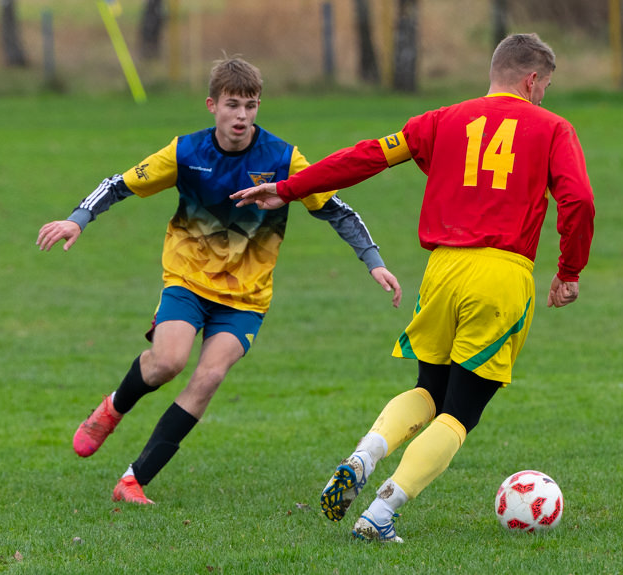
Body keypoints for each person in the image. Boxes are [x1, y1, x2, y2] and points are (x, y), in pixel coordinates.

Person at [231, 33, 595, 542]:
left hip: (441, 270)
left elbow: (368, 157)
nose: (544, 96)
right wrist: (570, 270)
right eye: (545, 86)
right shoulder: (553, 128)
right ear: (532, 79)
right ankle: (382, 512)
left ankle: (365, 455)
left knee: (429, 388)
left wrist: (291, 187)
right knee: (461, 410)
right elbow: (578, 200)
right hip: (501, 274)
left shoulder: (441, 119)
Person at [36, 57, 401, 505]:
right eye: (232, 105)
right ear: (212, 105)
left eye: (250, 106)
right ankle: (114, 407)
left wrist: (373, 260)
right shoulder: (185, 152)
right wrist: (79, 219)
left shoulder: (283, 158)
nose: (242, 116)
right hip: (188, 281)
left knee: (208, 377)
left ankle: (133, 480)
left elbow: (335, 208)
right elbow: (121, 183)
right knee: (168, 362)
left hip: (246, 298)